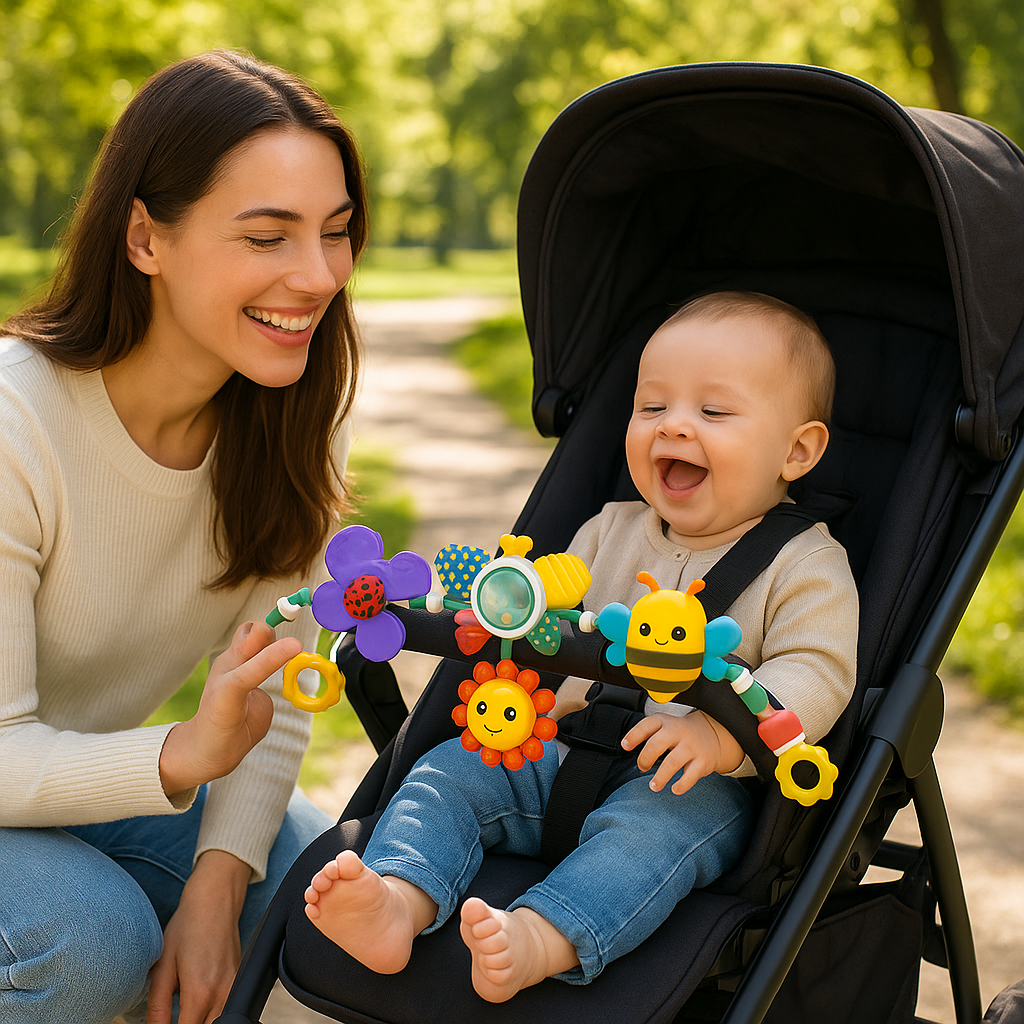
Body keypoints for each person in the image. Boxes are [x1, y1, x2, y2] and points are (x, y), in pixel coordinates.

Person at [303, 290, 859, 1002]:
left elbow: (817, 671)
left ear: (797, 451)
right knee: (448, 771)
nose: (673, 426)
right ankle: (397, 898)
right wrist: (496, 602)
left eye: (713, 412)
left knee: (647, 842)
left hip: (688, 785)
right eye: (651, 406)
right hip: (558, 751)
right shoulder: (605, 531)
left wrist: (719, 736)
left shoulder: (806, 564)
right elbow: (541, 618)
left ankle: (542, 936)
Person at [0, 50, 368, 1024]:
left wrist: (216, 883)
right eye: (267, 236)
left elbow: (273, 688)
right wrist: (178, 756)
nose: (317, 275)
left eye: (335, 232)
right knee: (88, 941)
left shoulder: (293, 418)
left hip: (61, 789)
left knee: (335, 904)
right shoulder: (14, 428)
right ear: (144, 238)